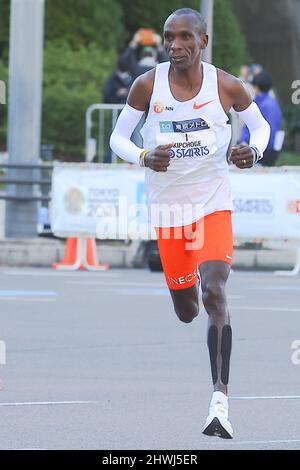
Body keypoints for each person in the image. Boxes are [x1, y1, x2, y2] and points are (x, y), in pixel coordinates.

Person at [110, 8, 270, 439]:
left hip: (213, 203)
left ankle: (220, 401)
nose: (175, 46)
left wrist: (252, 152)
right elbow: (118, 138)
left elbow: (261, 128)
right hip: (169, 212)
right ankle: (185, 296)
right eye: (169, 38)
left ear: (203, 41)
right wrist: (143, 156)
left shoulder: (225, 85)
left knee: (215, 289)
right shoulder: (148, 85)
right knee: (187, 309)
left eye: (185, 38)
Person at [239, 71, 282, 166]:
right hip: (256, 148)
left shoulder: (266, 105)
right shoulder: (266, 103)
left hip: (263, 151)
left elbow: (269, 130)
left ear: (256, 87)